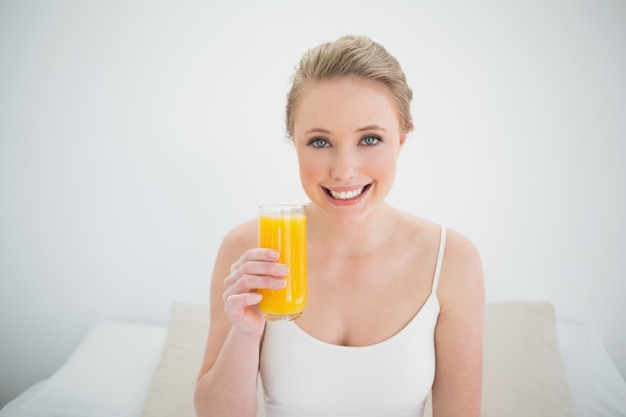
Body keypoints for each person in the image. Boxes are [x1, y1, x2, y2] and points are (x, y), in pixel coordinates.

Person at [194, 35, 484, 417]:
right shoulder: (249, 248)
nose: (343, 170)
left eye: (369, 139)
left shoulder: (451, 260)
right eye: (319, 142)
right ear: (294, 144)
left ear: (401, 140)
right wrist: (244, 334)